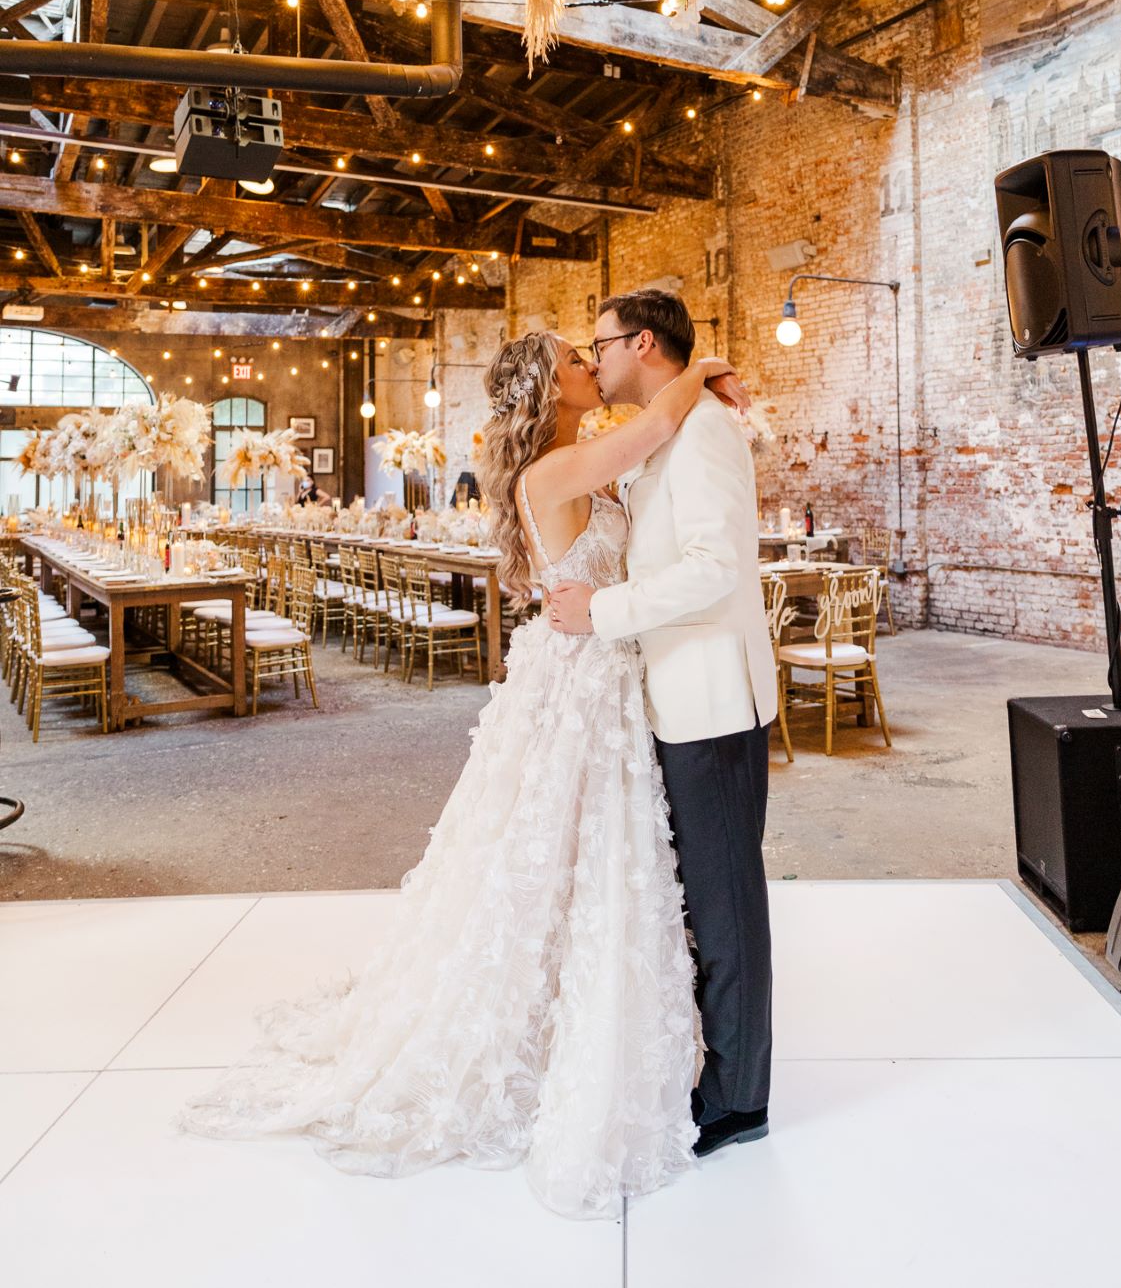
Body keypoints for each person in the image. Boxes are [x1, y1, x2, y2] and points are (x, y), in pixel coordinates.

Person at [176, 329, 747, 1219]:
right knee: (552, 848)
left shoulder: (575, 460)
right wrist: (703, 371)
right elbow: (654, 424)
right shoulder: (550, 474)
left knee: (583, 854)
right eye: (573, 360)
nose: (589, 366)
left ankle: (579, 1014)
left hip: (605, 671)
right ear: (545, 388)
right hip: (580, 679)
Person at [549, 289, 778, 1160]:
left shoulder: (707, 432)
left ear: (641, 342)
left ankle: (738, 1096)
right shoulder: (671, 427)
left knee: (727, 909)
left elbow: (718, 567)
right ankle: (720, 1068)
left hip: (713, 704)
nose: (595, 358)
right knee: (704, 903)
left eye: (599, 344)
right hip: (678, 698)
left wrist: (604, 609)